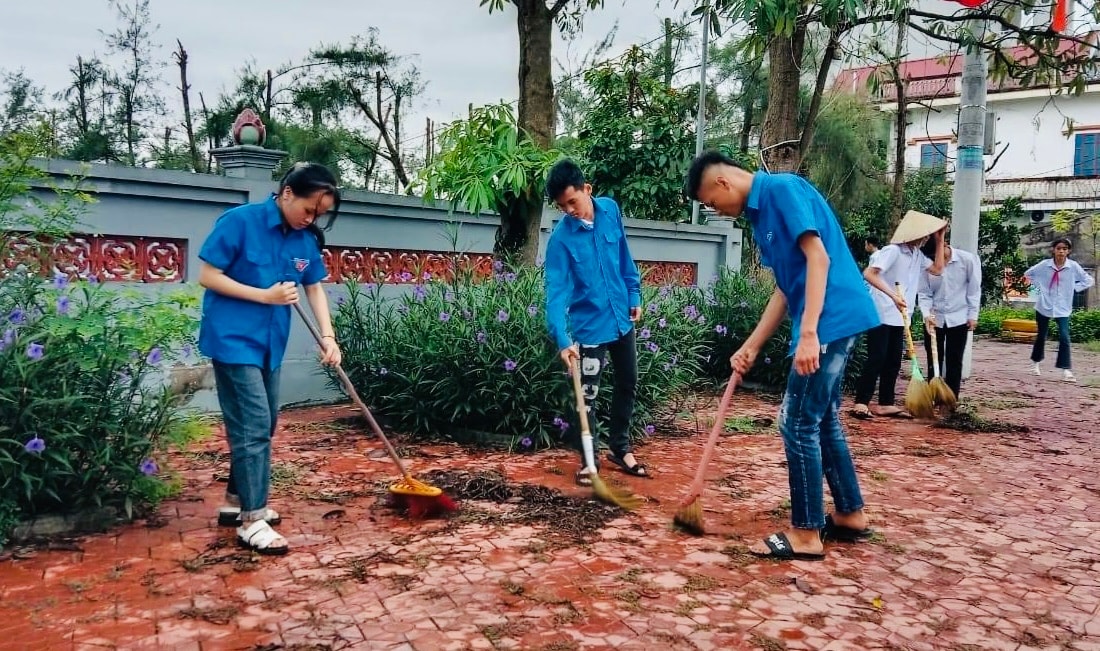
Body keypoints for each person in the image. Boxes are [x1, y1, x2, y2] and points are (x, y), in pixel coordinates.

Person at [686, 150, 879, 561]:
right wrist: (751, 345)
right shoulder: (759, 217)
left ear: (722, 183)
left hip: (830, 318)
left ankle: (806, 533)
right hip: (828, 320)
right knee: (822, 419)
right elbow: (784, 288)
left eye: (709, 202)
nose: (714, 210)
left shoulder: (782, 189)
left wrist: (810, 333)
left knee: (795, 421)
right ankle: (850, 514)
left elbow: (819, 258)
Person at [198, 162, 343, 555]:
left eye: (320, 214)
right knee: (254, 423)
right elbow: (208, 276)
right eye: (308, 209)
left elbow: (313, 287)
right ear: (287, 194)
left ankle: (234, 501)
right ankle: (252, 519)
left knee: (264, 422)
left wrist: (328, 337)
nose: (311, 218)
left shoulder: (304, 240)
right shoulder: (240, 222)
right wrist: (264, 296)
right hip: (232, 338)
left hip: (270, 343)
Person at [543, 159, 649, 485]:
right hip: (588, 328)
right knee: (586, 395)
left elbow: (623, 257)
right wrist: (562, 340)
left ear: (587, 190)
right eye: (562, 206)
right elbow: (555, 294)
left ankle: (620, 447)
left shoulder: (610, 210)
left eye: (572, 201)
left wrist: (634, 295)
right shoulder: (560, 240)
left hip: (621, 318)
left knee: (627, 383)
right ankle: (589, 461)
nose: (569, 210)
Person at [852, 211, 946, 419]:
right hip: (882, 311)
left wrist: (940, 241)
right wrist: (892, 295)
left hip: (902, 314)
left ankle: (885, 403)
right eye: (925, 234)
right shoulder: (893, 251)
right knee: (877, 357)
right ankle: (861, 402)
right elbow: (869, 274)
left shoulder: (917, 255)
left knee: (894, 359)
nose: (926, 238)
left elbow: (938, 269)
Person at [917, 240, 982, 400]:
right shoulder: (926, 264)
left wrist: (973, 315)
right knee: (934, 358)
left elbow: (974, 289)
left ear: (944, 245)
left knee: (955, 359)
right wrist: (926, 315)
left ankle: (951, 398)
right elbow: (924, 292)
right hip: (935, 317)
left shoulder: (967, 259)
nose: (936, 262)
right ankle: (934, 395)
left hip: (959, 316)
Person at [1025, 237, 1095, 382]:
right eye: (1058, 248)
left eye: (1064, 249)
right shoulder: (1045, 265)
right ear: (1053, 250)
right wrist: (1040, 286)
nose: (1061, 251)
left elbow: (1088, 280)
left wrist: (1075, 288)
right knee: (1041, 336)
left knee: (1064, 336)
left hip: (1063, 307)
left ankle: (1066, 369)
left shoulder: (1073, 266)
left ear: (1068, 251)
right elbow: (1028, 274)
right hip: (1045, 304)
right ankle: (1035, 363)